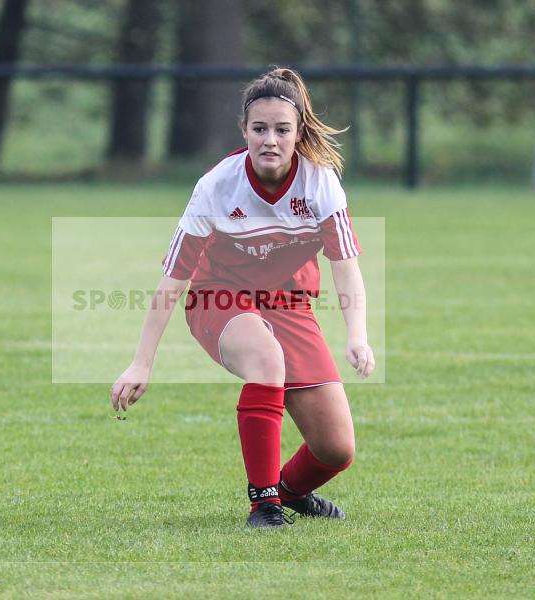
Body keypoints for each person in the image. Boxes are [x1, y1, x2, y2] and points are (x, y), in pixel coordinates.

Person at [111, 67, 375, 528]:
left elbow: (345, 266)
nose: (270, 139)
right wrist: (141, 362)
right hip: (219, 295)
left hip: (289, 302)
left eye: (281, 129)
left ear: (298, 133)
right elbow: (173, 280)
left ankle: (290, 492)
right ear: (244, 131)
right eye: (259, 129)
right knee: (266, 359)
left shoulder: (320, 183)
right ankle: (264, 504)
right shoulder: (216, 186)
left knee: (335, 450)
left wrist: (358, 335)